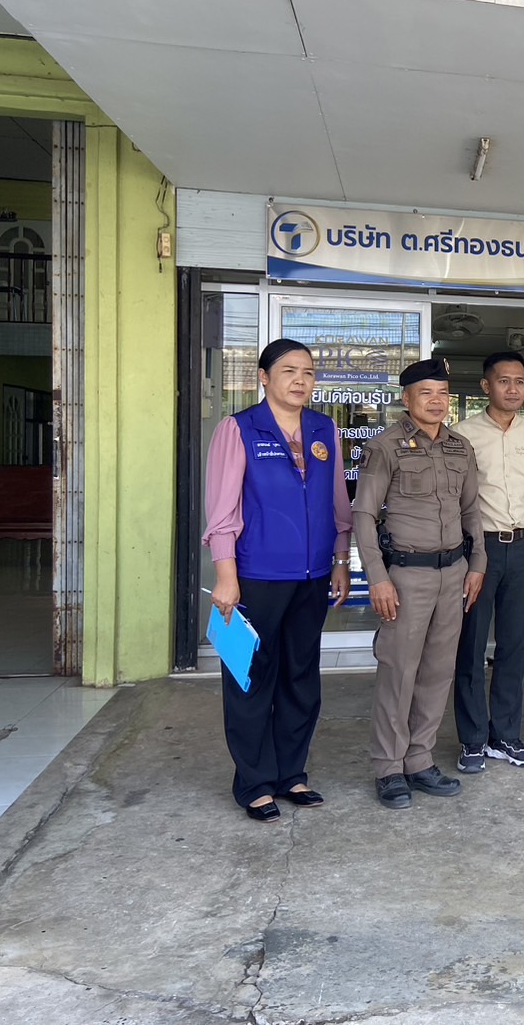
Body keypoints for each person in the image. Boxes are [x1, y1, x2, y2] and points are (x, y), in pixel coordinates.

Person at [203, 338, 351, 823]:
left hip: (312, 576)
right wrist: (226, 577)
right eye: (289, 371)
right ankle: (255, 783)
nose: (300, 380)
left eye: (308, 372)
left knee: (301, 677)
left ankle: (291, 774)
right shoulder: (240, 429)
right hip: (255, 576)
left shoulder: (324, 428)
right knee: (250, 678)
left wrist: (340, 560)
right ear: (264, 377)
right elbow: (222, 511)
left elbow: (338, 504)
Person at [352, 356, 486, 809]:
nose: (436, 401)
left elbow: (472, 511)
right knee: (399, 672)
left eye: (442, 393)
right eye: (425, 393)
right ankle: (389, 767)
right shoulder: (385, 446)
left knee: (437, 671)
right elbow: (364, 515)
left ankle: (419, 759)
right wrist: (377, 578)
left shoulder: (460, 447)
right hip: (406, 576)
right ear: (406, 399)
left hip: (453, 573)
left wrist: (477, 563)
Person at [451, 351, 524, 773]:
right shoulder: (462, 435)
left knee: (515, 645)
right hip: (479, 548)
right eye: (504, 381)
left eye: (520, 382)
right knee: (470, 645)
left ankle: (505, 736)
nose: (513, 389)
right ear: (486, 386)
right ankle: (473, 739)